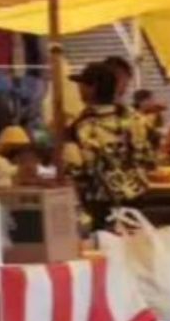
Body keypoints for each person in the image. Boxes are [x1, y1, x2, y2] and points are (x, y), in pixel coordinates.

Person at [61, 62, 156, 229]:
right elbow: (149, 160)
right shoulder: (136, 119)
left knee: (105, 243)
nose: (79, 88)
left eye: (82, 84)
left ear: (92, 88)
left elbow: (75, 169)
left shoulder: (81, 126)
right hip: (136, 197)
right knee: (135, 241)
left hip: (99, 202)